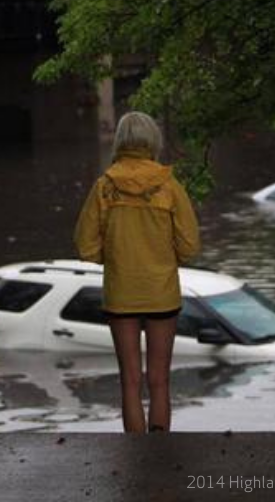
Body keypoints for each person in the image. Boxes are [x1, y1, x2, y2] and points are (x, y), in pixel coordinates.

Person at [74, 111, 200, 433]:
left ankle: (135, 454)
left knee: (129, 382)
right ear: (152, 141)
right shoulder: (169, 186)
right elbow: (189, 246)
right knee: (160, 381)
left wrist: (116, 257)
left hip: (121, 295)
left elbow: (85, 245)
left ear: (121, 142)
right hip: (161, 295)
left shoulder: (104, 188)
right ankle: (159, 453)